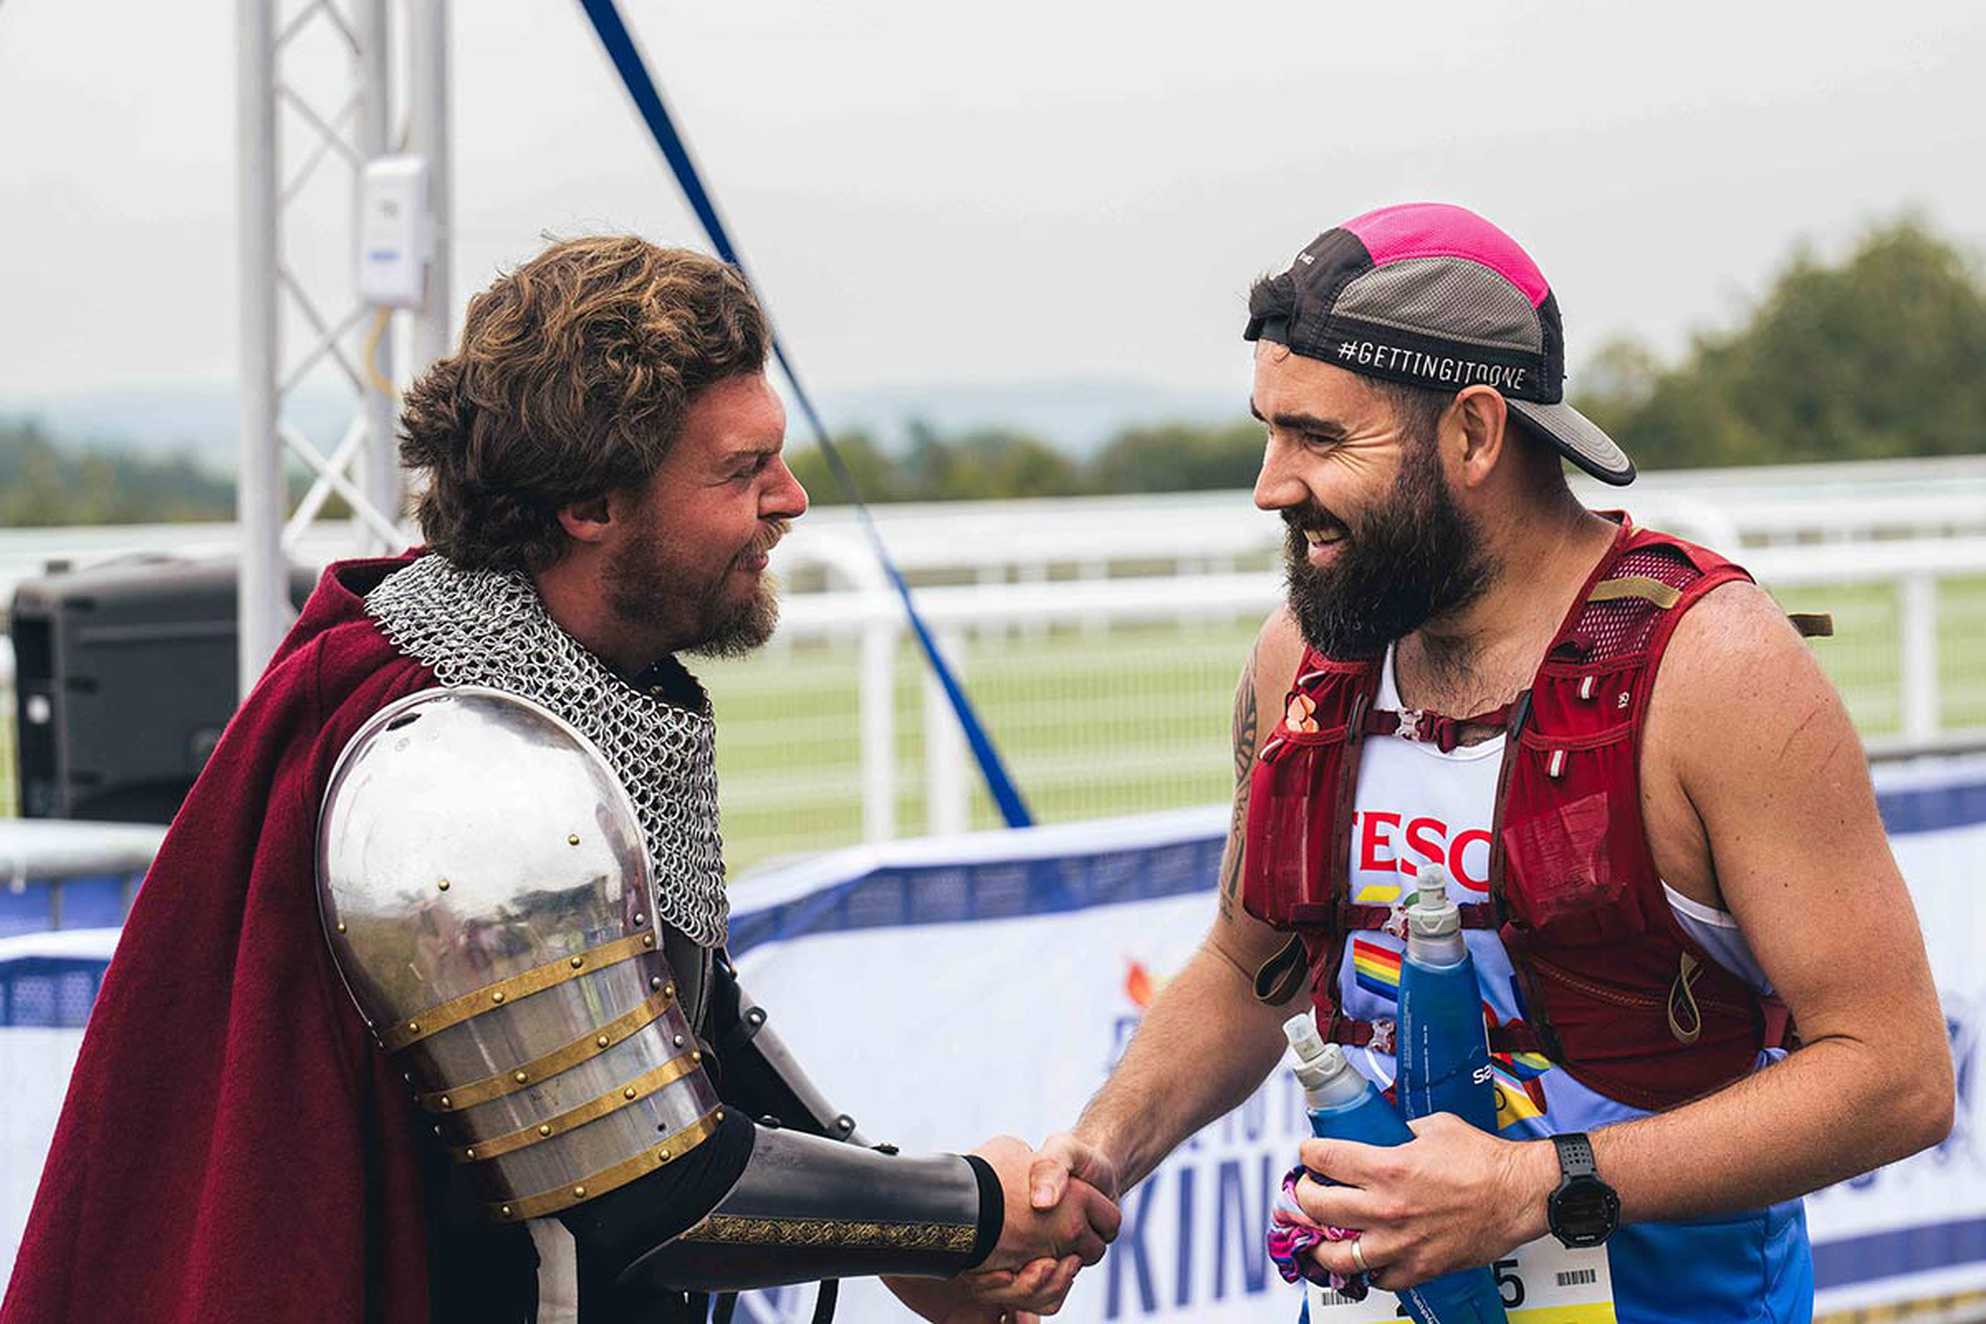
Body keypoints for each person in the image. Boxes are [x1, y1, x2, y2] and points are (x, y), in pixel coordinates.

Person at [0, 236, 1115, 1324]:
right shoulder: (464, 767)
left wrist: (902, 1234)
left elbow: (688, 1029)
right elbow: (645, 1188)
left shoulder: (580, 684)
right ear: (589, 504)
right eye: (741, 469)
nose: (790, 497)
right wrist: (964, 1212)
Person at [1010, 203, 1953, 1322]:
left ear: (1473, 431)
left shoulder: (1715, 668)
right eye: (1269, 430)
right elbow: (1245, 965)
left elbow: (1895, 1073)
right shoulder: (1303, 659)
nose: (1270, 482)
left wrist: (1531, 1189)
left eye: (1318, 437)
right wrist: (1102, 1150)